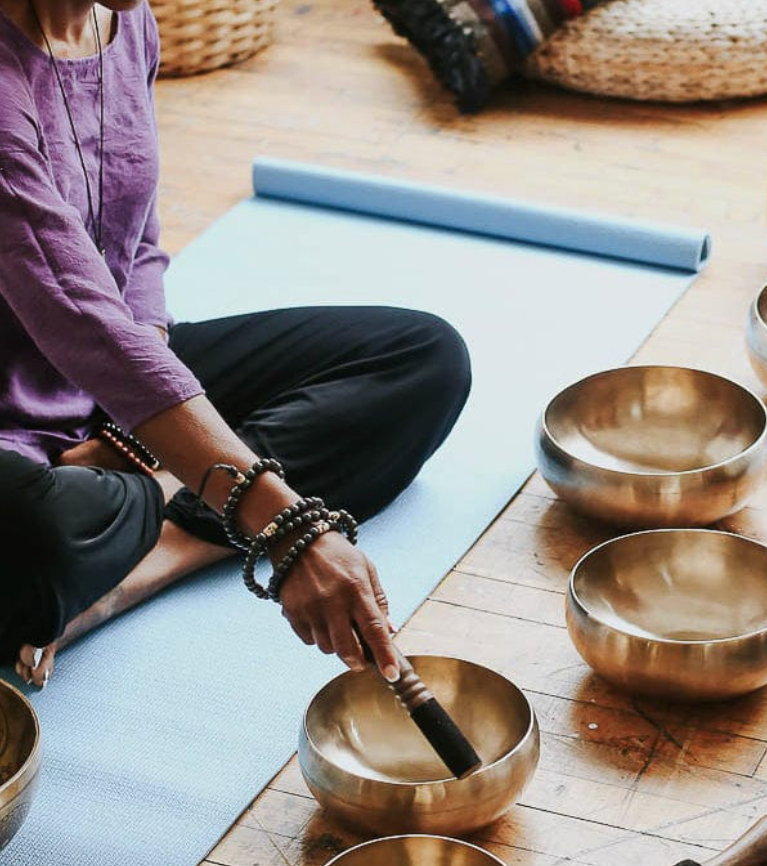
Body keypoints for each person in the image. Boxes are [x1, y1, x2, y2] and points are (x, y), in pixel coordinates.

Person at [0, 0, 471, 689]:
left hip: (115, 383)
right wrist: (287, 528)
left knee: (422, 359)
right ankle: (174, 490)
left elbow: (134, 247)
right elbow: (78, 316)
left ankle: (155, 553)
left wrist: (143, 432)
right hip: (19, 427)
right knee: (33, 539)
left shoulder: (123, 20)